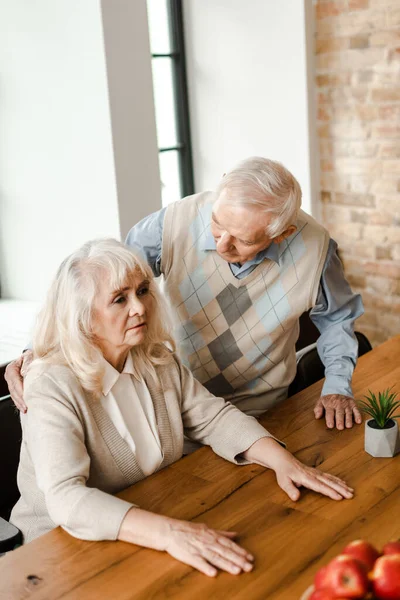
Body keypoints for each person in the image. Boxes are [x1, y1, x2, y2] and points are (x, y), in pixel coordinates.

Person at [10, 239, 353, 577]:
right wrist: (170, 533)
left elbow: (214, 418)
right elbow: (66, 499)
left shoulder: (153, 356)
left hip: (147, 523)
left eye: (143, 290)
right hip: (57, 554)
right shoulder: (51, 384)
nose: (140, 308)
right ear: (83, 317)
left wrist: (285, 462)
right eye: (119, 299)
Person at [6, 157, 364, 430]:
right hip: (172, 401)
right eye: (218, 224)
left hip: (263, 408)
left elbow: (337, 321)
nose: (221, 244)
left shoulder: (315, 248)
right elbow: (96, 289)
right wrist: (39, 348)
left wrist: (336, 386)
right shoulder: (173, 222)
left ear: (282, 233)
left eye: (242, 239)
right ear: (221, 187)